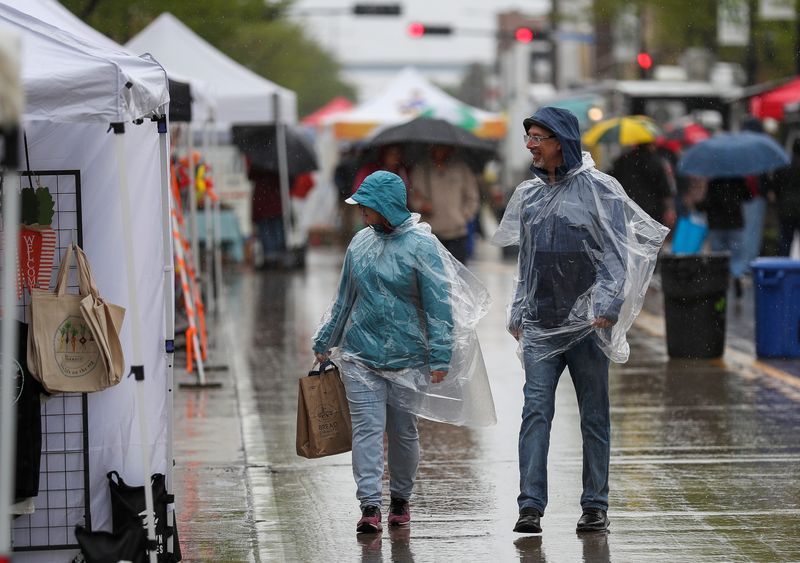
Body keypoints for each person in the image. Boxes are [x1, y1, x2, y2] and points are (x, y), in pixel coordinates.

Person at [492, 107, 667, 535]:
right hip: (540, 323)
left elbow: (616, 256)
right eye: (528, 136)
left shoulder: (600, 191)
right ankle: (530, 505)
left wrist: (605, 308)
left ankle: (595, 505)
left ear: (561, 143)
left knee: (594, 416)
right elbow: (526, 262)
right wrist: (519, 307)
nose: (530, 144)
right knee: (535, 411)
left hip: (589, 327)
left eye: (538, 137)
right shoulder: (529, 196)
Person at [312, 170, 495, 534]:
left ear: (386, 206)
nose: (361, 211)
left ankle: (400, 499)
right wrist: (324, 341)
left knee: (403, 432)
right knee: (367, 430)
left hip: (408, 359)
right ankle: (369, 506)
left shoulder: (422, 246)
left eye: (367, 205)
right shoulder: (359, 243)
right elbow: (344, 298)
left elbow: (438, 305)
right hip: (360, 357)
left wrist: (441, 356)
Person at [409, 144, 481, 264]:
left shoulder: (461, 168)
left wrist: (463, 216)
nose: (440, 150)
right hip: (430, 234)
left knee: (457, 277)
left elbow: (472, 197)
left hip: (457, 233)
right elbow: (413, 195)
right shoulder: (421, 169)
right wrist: (420, 205)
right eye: (437, 147)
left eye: (443, 147)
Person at [697, 177, 751, 297]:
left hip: (717, 224)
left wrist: (698, 204)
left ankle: (720, 284)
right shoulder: (738, 179)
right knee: (737, 256)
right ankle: (736, 276)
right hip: (736, 223)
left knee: (719, 256)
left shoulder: (713, 181)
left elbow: (708, 203)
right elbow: (748, 196)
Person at [609, 142, 676, 228]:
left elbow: (611, 179)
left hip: (627, 207)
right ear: (650, 145)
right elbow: (665, 189)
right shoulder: (655, 161)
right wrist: (669, 208)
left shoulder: (623, 160)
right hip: (651, 211)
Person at [768, 139, 800, 257]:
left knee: (785, 240)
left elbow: (775, 186)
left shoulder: (783, 164)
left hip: (786, 208)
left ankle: (783, 267)